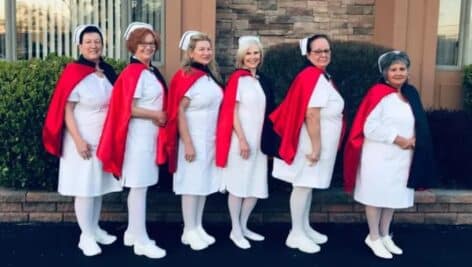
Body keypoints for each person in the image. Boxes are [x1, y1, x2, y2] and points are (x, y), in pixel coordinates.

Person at [343, 50, 436, 259]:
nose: (398, 73)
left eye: (402, 69)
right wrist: (399, 139)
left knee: (391, 196)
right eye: (393, 69)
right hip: (379, 156)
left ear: (407, 72)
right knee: (376, 197)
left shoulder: (410, 93)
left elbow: (419, 123)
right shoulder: (378, 94)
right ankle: (373, 237)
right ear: (385, 73)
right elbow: (369, 127)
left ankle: (385, 235)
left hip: (402, 157)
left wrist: (415, 140)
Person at [42, 24, 122, 256]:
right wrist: (78, 140)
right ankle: (85, 236)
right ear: (80, 46)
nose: (93, 45)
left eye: (97, 41)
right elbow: (66, 110)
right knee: (85, 189)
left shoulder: (106, 72)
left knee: (97, 188)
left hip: (102, 140)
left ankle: (94, 229)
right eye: (88, 42)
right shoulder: (73, 73)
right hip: (82, 140)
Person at [96, 22, 167, 259]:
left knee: (140, 187)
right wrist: (156, 114)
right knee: (138, 188)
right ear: (133, 46)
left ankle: (131, 232)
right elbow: (128, 108)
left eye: (151, 43)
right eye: (142, 43)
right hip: (137, 139)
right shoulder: (133, 73)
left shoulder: (148, 71)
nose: (148, 47)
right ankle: (141, 240)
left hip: (148, 137)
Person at [269, 34, 344, 254]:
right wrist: (316, 147)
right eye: (318, 51)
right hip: (310, 143)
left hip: (316, 142)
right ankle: (296, 234)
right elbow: (311, 114)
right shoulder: (312, 76)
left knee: (307, 185)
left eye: (326, 50)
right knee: (302, 185)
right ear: (308, 54)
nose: (323, 55)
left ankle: (304, 227)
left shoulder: (321, 76)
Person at [161, 31, 223, 251]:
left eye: (208, 49)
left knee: (204, 183)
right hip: (192, 139)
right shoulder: (184, 76)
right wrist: (187, 142)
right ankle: (188, 230)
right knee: (191, 185)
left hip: (210, 140)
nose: (206, 53)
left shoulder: (210, 76)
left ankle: (197, 226)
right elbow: (179, 111)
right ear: (190, 52)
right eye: (201, 49)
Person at [216, 36, 276, 249]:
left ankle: (243, 226)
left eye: (256, 53)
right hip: (241, 140)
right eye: (248, 53)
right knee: (239, 185)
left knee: (255, 185)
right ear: (242, 56)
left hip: (259, 141)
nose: (253, 57)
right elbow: (232, 110)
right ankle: (235, 229)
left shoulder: (261, 80)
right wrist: (241, 138)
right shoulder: (237, 79)